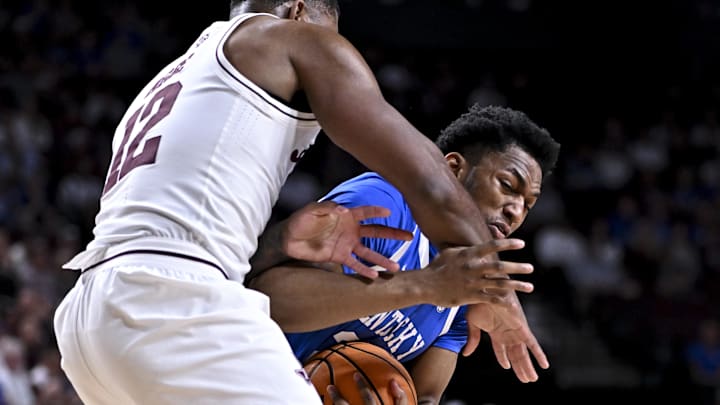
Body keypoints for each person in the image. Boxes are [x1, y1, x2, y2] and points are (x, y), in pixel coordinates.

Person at [53, 1, 522, 404]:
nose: (337, 51)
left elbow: (172, 238)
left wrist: (278, 241)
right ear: (297, 11)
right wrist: (499, 292)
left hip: (91, 322)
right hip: (171, 305)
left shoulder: (176, 77)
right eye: (332, 37)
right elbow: (431, 180)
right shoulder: (290, 38)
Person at [248, 105, 561, 404]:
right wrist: (423, 286)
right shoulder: (384, 204)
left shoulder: (468, 291)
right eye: (507, 185)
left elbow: (426, 396)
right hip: (241, 380)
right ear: (453, 169)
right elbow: (267, 301)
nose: (516, 211)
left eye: (528, 204)